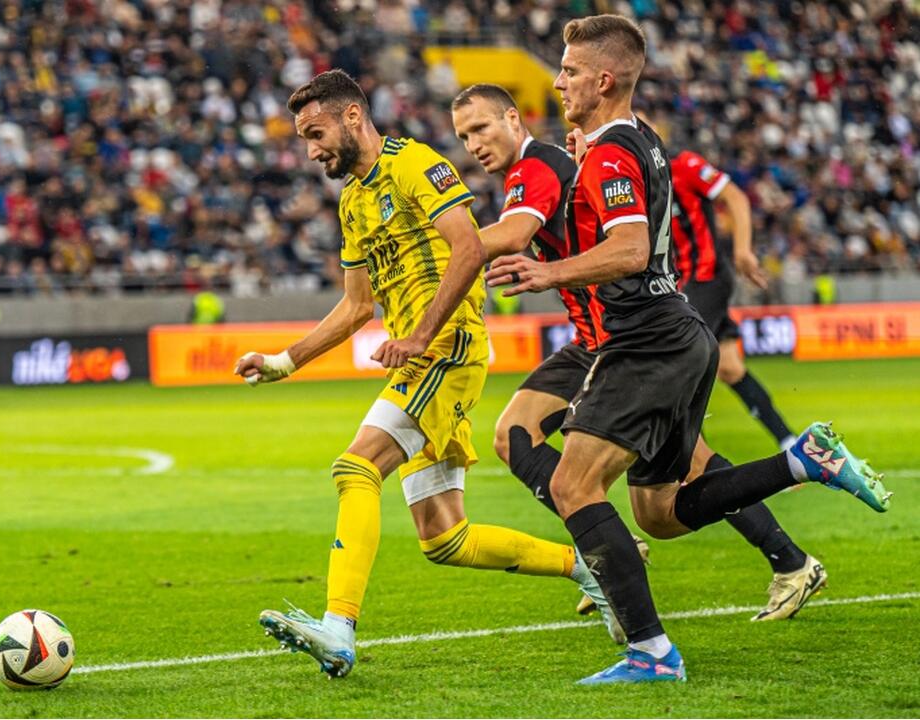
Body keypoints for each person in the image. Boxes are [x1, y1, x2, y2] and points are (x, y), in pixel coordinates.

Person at [484, 15, 891, 684]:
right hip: (673, 334)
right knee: (661, 513)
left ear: (605, 79)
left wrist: (546, 271)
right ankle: (802, 461)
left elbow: (630, 249)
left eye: (571, 71)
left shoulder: (613, 151)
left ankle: (651, 651)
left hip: (645, 337)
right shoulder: (638, 139)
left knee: (571, 483)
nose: (558, 81)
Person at [233, 69, 619, 680]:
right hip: (425, 353)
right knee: (445, 538)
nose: (310, 150)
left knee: (356, 466)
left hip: (445, 347)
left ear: (353, 117)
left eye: (315, 132)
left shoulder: (414, 164)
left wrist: (418, 335)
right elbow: (358, 305)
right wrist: (285, 361)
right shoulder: (353, 199)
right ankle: (596, 569)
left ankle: (338, 628)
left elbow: (468, 246)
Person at [451, 83, 827, 623]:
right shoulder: (552, 164)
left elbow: (514, 234)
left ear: (513, 119)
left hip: (627, 340)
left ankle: (776, 557)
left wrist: (423, 240)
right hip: (595, 340)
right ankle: (773, 556)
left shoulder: (539, 167)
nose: (473, 143)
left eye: (481, 128)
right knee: (519, 434)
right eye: (464, 136)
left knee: (678, 471)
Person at [670, 148, 796, 450]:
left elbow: (736, 197)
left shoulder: (682, 164)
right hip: (682, 283)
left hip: (706, 276)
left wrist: (743, 250)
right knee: (729, 368)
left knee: (675, 364)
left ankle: (694, 468)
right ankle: (789, 443)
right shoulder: (634, 175)